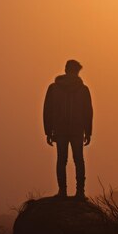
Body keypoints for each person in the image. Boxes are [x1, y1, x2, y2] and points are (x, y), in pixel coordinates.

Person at [43, 60, 93, 199]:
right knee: (78, 160)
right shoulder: (83, 90)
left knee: (61, 160)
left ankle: (62, 192)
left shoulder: (54, 88)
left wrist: (48, 131)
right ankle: (80, 193)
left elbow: (48, 111)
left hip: (60, 130)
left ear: (65, 70)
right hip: (77, 129)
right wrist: (88, 132)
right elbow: (88, 112)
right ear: (77, 71)